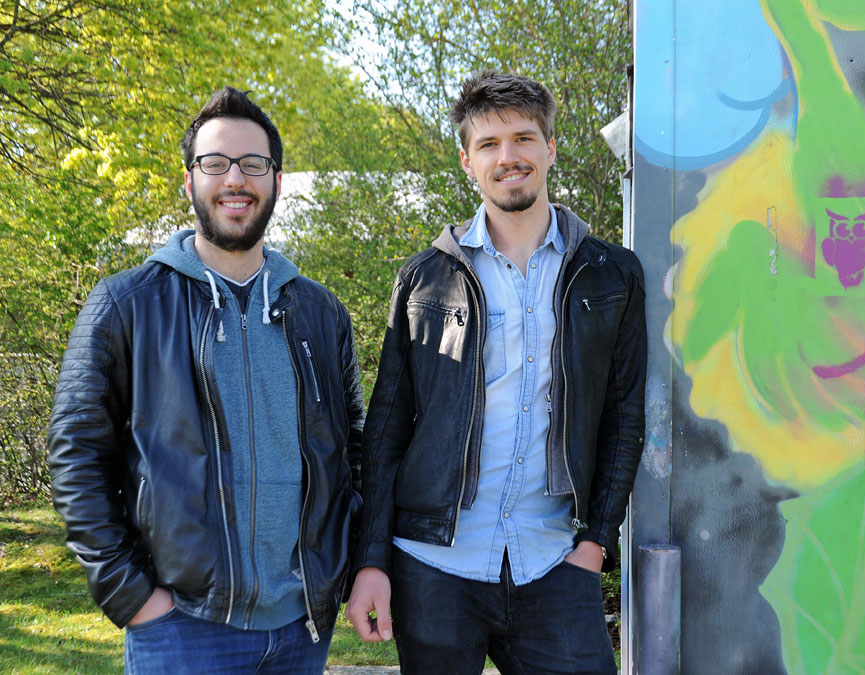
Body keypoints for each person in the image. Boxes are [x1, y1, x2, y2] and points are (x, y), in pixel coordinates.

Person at [48, 87, 364, 674]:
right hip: (182, 629)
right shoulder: (125, 305)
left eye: (254, 164)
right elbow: (75, 455)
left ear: (276, 180)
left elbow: (354, 453)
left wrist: (350, 568)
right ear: (189, 182)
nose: (235, 179)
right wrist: (131, 596)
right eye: (215, 163)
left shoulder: (322, 313)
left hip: (301, 629)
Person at [346, 70, 647, 674]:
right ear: (467, 160)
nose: (508, 157)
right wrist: (372, 561)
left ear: (550, 147)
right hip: (434, 564)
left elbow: (624, 417)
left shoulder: (611, 275)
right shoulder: (426, 277)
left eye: (523, 138)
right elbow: (385, 432)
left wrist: (596, 543)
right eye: (488, 144)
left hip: (555, 561)